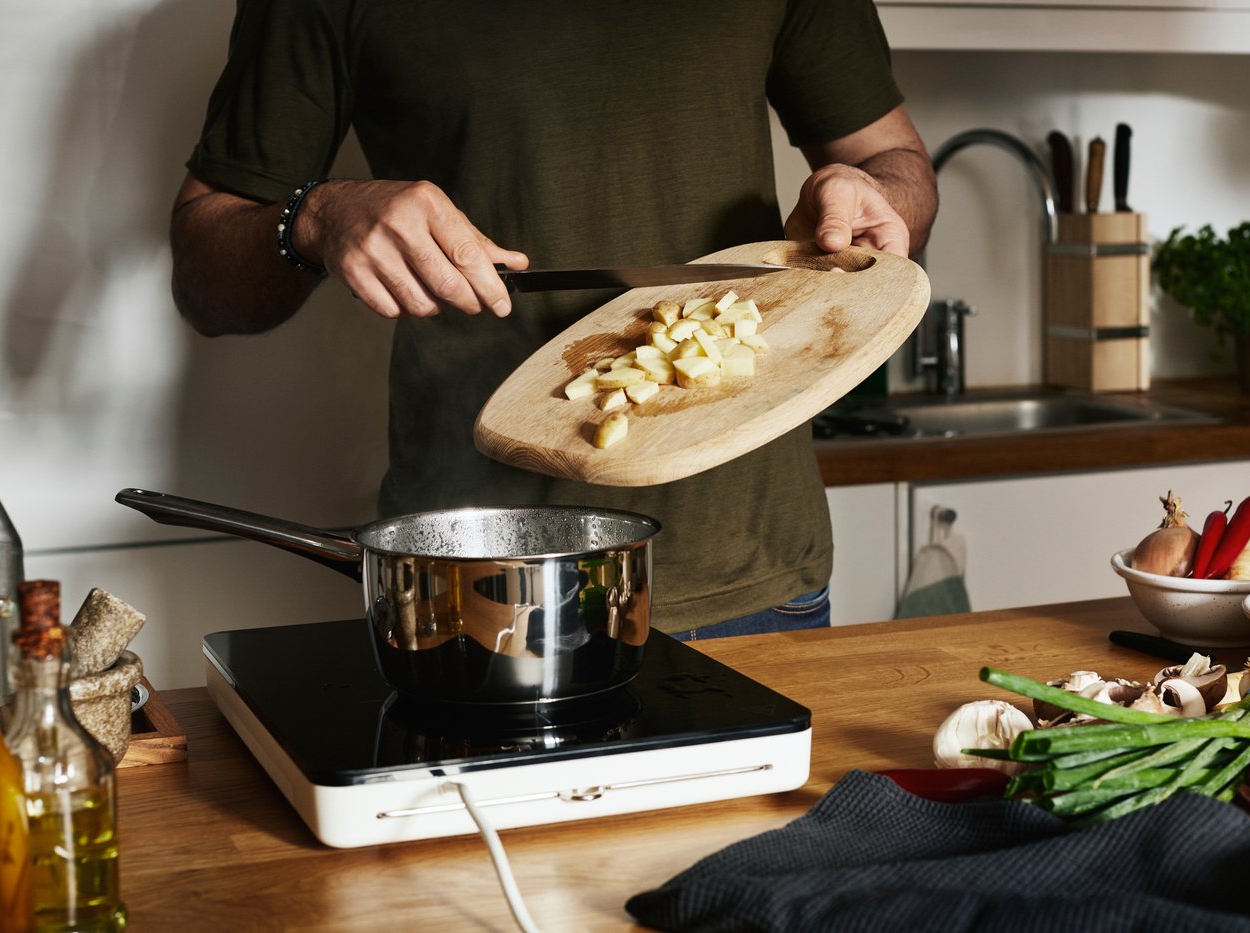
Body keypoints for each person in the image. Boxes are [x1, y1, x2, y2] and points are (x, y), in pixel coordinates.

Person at [170, 0, 938, 640]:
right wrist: (316, 217)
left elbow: (896, 165)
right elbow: (204, 274)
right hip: (477, 582)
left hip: (751, 575)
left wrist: (876, 200)